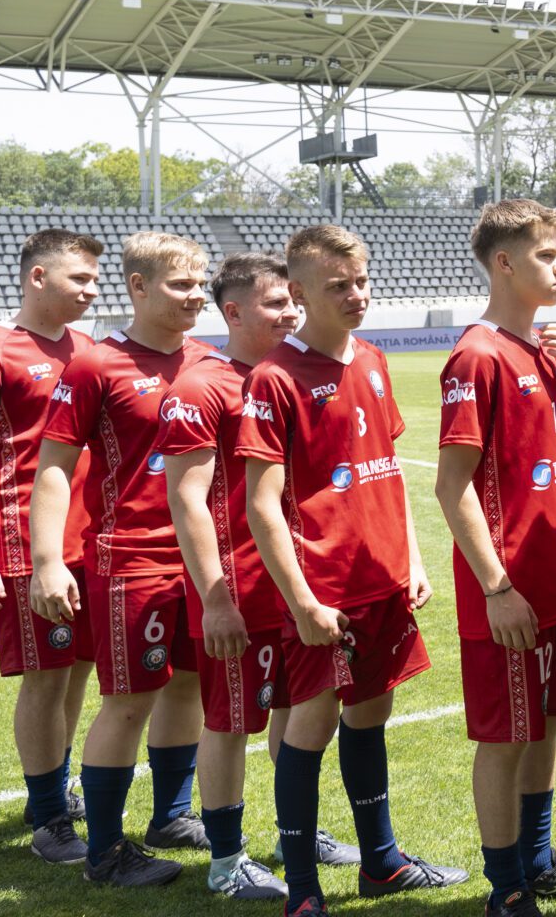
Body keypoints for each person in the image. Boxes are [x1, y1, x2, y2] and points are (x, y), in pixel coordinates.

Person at [237, 224, 467, 916]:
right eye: (338, 285)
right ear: (300, 293)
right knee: (311, 727)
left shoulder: (370, 358)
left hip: (382, 582)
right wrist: (302, 601)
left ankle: (382, 863)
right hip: (324, 590)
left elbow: (386, 468)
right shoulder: (276, 377)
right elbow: (261, 504)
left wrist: (411, 557)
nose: (357, 294)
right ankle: (303, 890)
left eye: (361, 281)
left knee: (372, 715)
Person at [28, 232, 213, 888]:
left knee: (188, 685)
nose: (196, 297)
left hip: (201, 561)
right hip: (132, 559)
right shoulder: (96, 365)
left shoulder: (208, 362)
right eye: (181, 285)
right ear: (138, 287)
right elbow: (54, 469)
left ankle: (172, 817)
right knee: (129, 701)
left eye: (200, 285)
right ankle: (105, 853)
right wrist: (47, 561)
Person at [434, 199, 556, 917]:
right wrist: (497, 588)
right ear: (503, 263)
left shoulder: (547, 351)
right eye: (546, 256)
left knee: (548, 724)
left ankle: (539, 857)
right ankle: (506, 887)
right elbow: (452, 485)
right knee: (505, 739)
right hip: (510, 592)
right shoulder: (478, 355)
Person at [160, 252, 310, 901]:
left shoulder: (290, 378)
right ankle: (225, 860)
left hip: (294, 585)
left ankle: (296, 834)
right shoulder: (202, 387)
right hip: (238, 592)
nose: (291, 313)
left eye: (294, 301)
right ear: (234, 311)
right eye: (276, 303)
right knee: (229, 721)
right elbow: (187, 500)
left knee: (295, 711)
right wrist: (216, 600)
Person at [0, 229, 102, 865]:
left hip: (91, 539)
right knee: (46, 677)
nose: (91, 290)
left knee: (77, 669)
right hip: (26, 544)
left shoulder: (87, 349)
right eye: (80, 279)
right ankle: (48, 819)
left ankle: (54, 789)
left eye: (95, 279)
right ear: (38, 277)